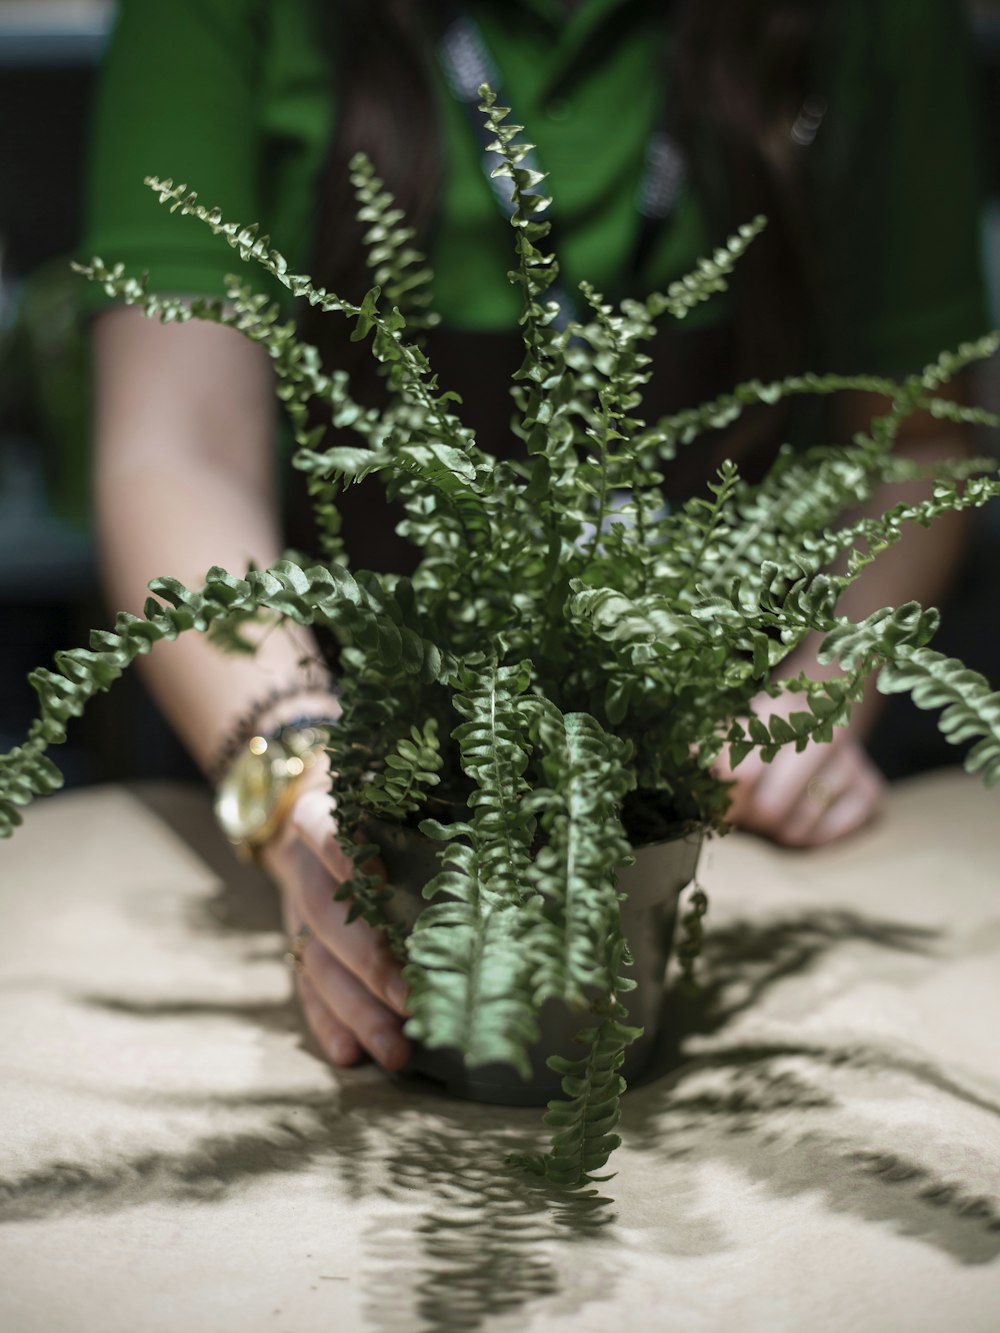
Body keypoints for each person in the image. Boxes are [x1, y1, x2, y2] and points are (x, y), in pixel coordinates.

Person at [82, 0, 992, 1074]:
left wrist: (817, 690)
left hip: (714, 780)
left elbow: (920, 441)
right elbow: (174, 448)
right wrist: (299, 779)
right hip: (360, 735)